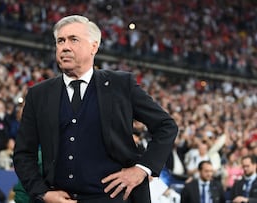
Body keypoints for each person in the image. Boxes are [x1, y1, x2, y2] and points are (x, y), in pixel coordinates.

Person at [13, 15, 178, 203]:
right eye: (60, 41)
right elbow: (23, 153)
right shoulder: (38, 94)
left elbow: (166, 125)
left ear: (94, 46)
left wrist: (142, 169)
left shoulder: (121, 84)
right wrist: (43, 192)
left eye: (73, 39)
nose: (65, 47)